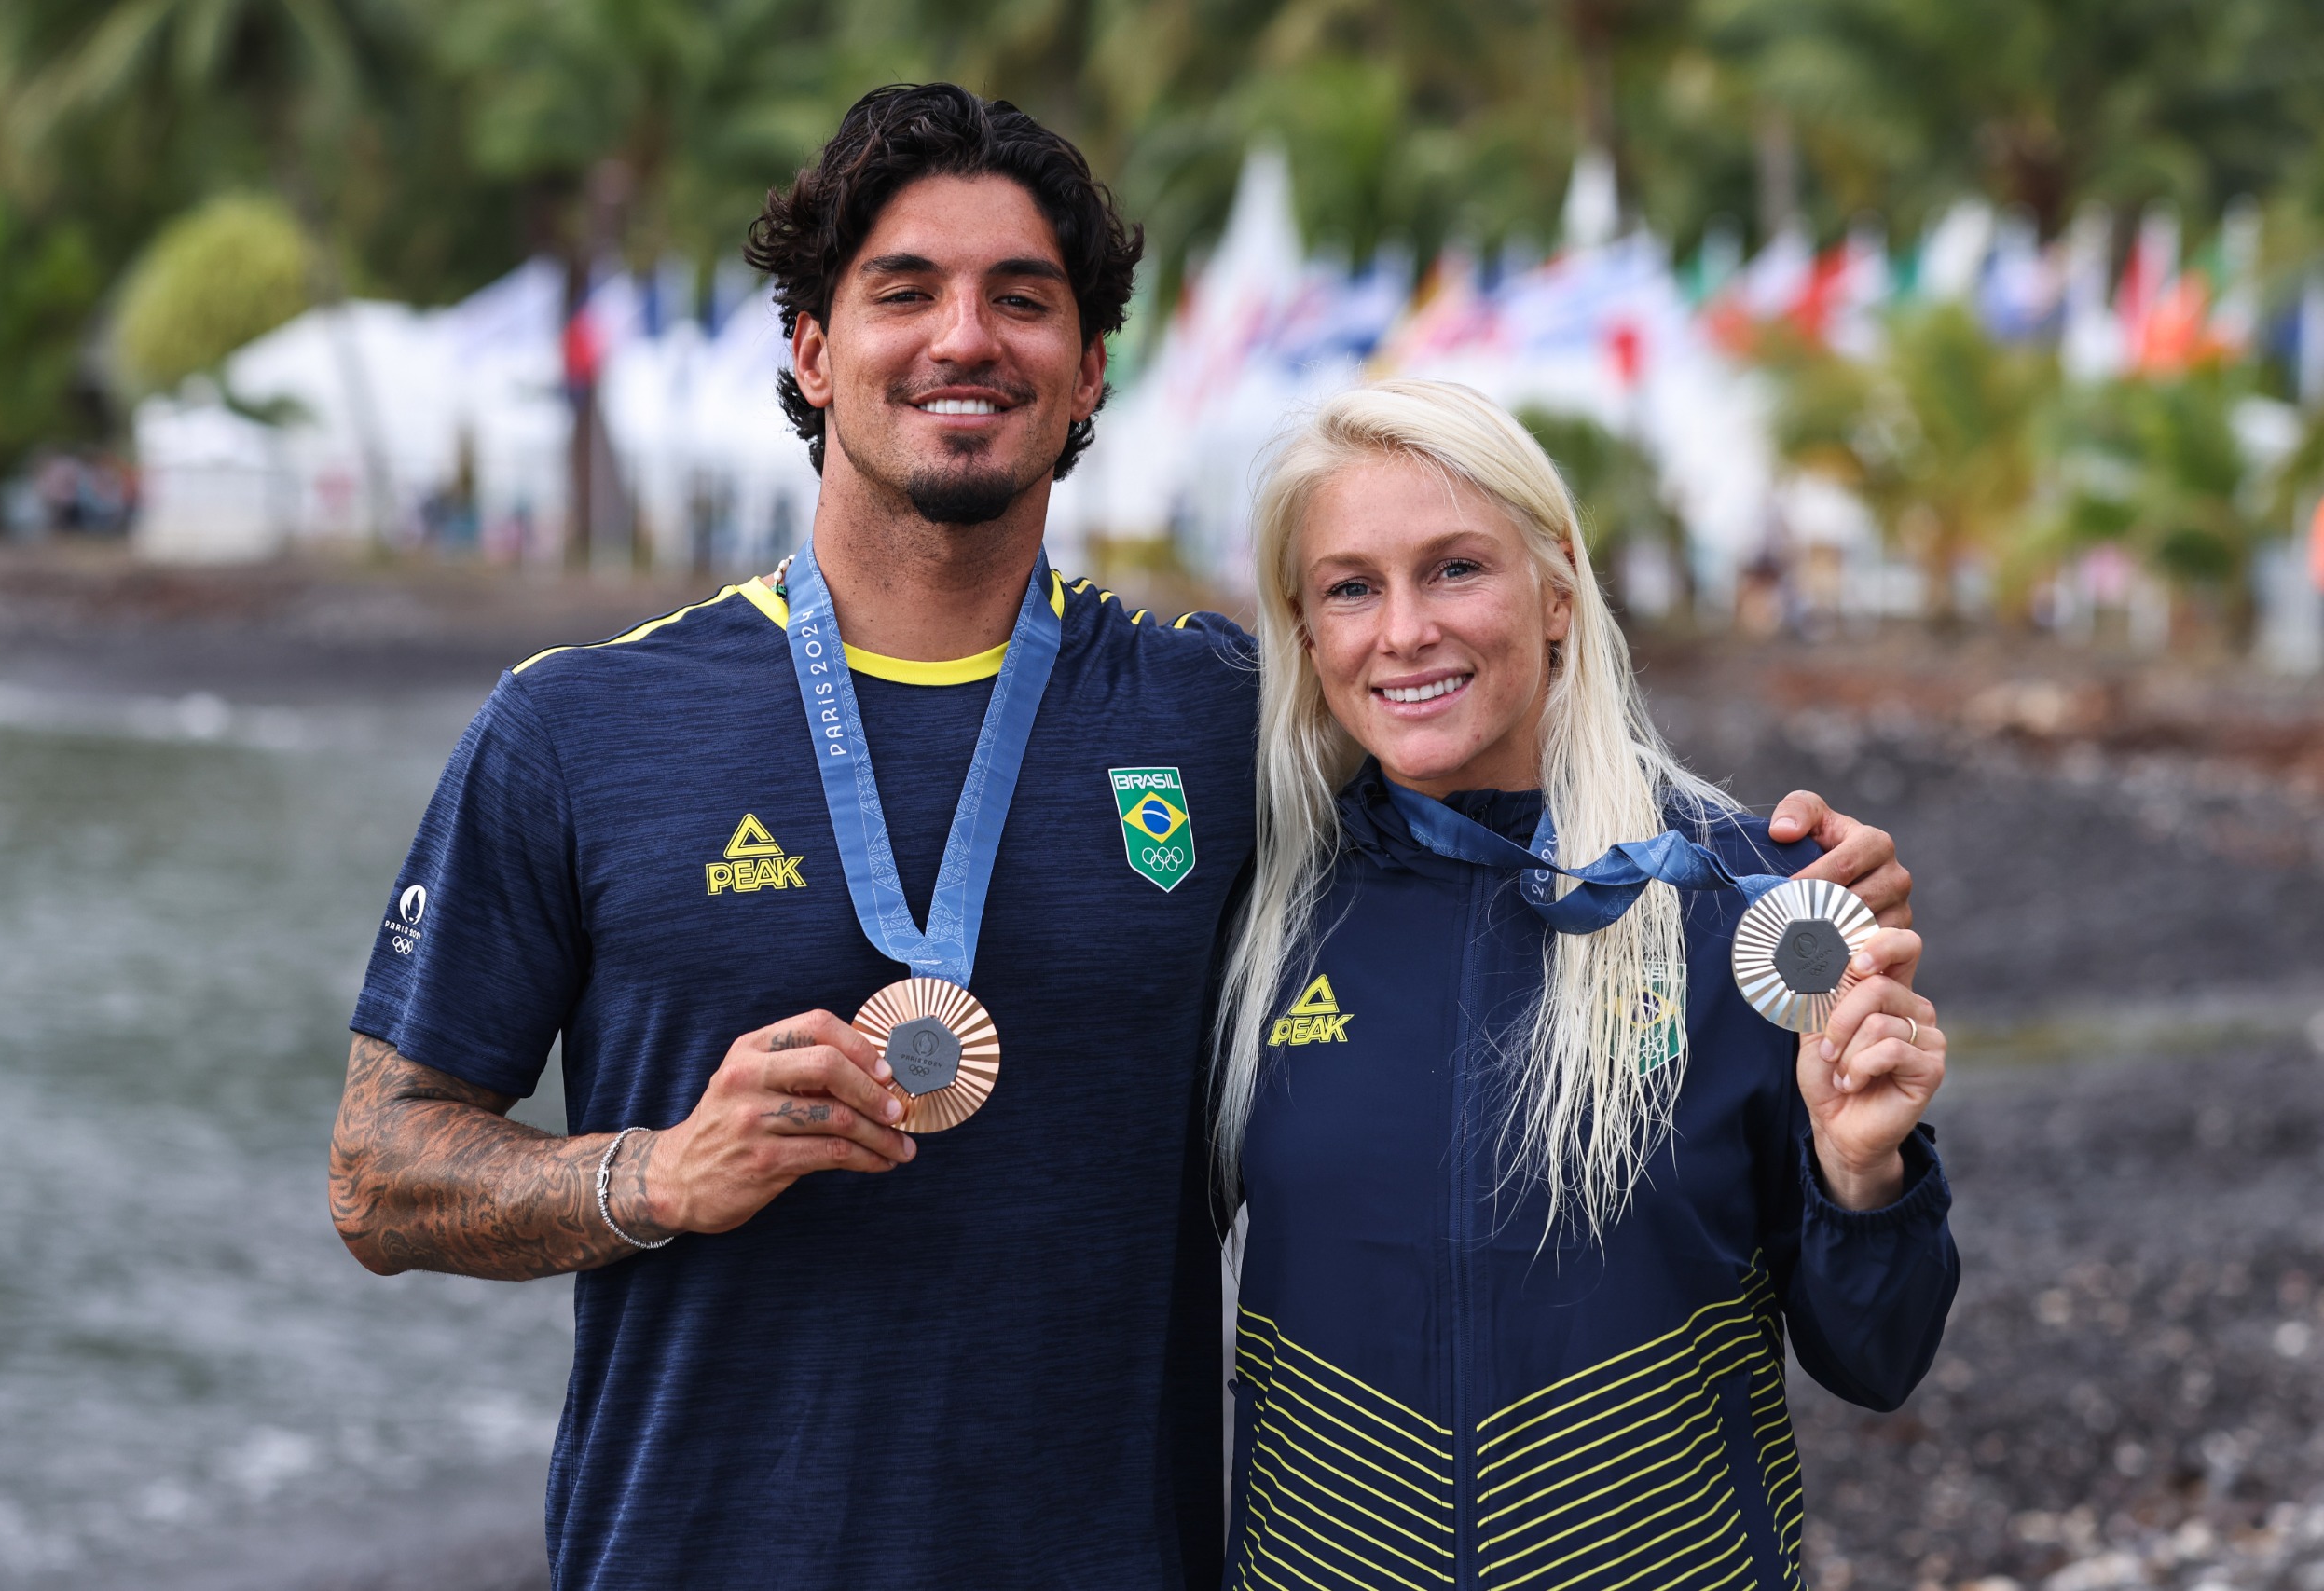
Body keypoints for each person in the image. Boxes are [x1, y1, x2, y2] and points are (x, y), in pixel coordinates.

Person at [326, 86, 1916, 1590]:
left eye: (1024, 297)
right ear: (811, 349)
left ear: (1089, 372)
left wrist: (1776, 888)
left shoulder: (1218, 720)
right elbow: (378, 1176)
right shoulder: (578, 731)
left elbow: (1482, 759)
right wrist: (657, 1175)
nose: (966, 336)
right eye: (904, 291)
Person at [1215, 378, 1958, 1591]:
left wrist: (1864, 1173)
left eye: (1456, 568)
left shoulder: (1742, 901)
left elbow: (1878, 1356)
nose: (1403, 631)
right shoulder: (1257, 916)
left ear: (1558, 589)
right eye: (1351, 586)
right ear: (1304, 629)